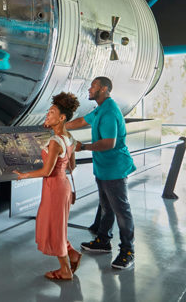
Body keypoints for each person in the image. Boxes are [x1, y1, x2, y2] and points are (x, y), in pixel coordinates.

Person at [64, 76, 136, 270]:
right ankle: (103, 240)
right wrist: (60, 125)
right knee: (106, 207)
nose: (89, 89)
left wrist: (83, 147)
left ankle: (128, 251)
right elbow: (82, 121)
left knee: (121, 211)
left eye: (93, 86)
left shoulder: (110, 111)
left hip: (115, 168)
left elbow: (109, 143)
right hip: (103, 168)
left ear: (104, 89)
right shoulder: (100, 109)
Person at [14, 92, 82, 280]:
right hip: (63, 185)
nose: (47, 115)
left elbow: (46, 171)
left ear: (61, 118)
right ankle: (72, 254)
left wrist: (24, 175)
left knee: (54, 228)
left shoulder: (55, 141)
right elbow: (72, 166)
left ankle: (65, 270)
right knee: (58, 225)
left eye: (51, 113)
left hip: (54, 188)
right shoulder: (70, 138)